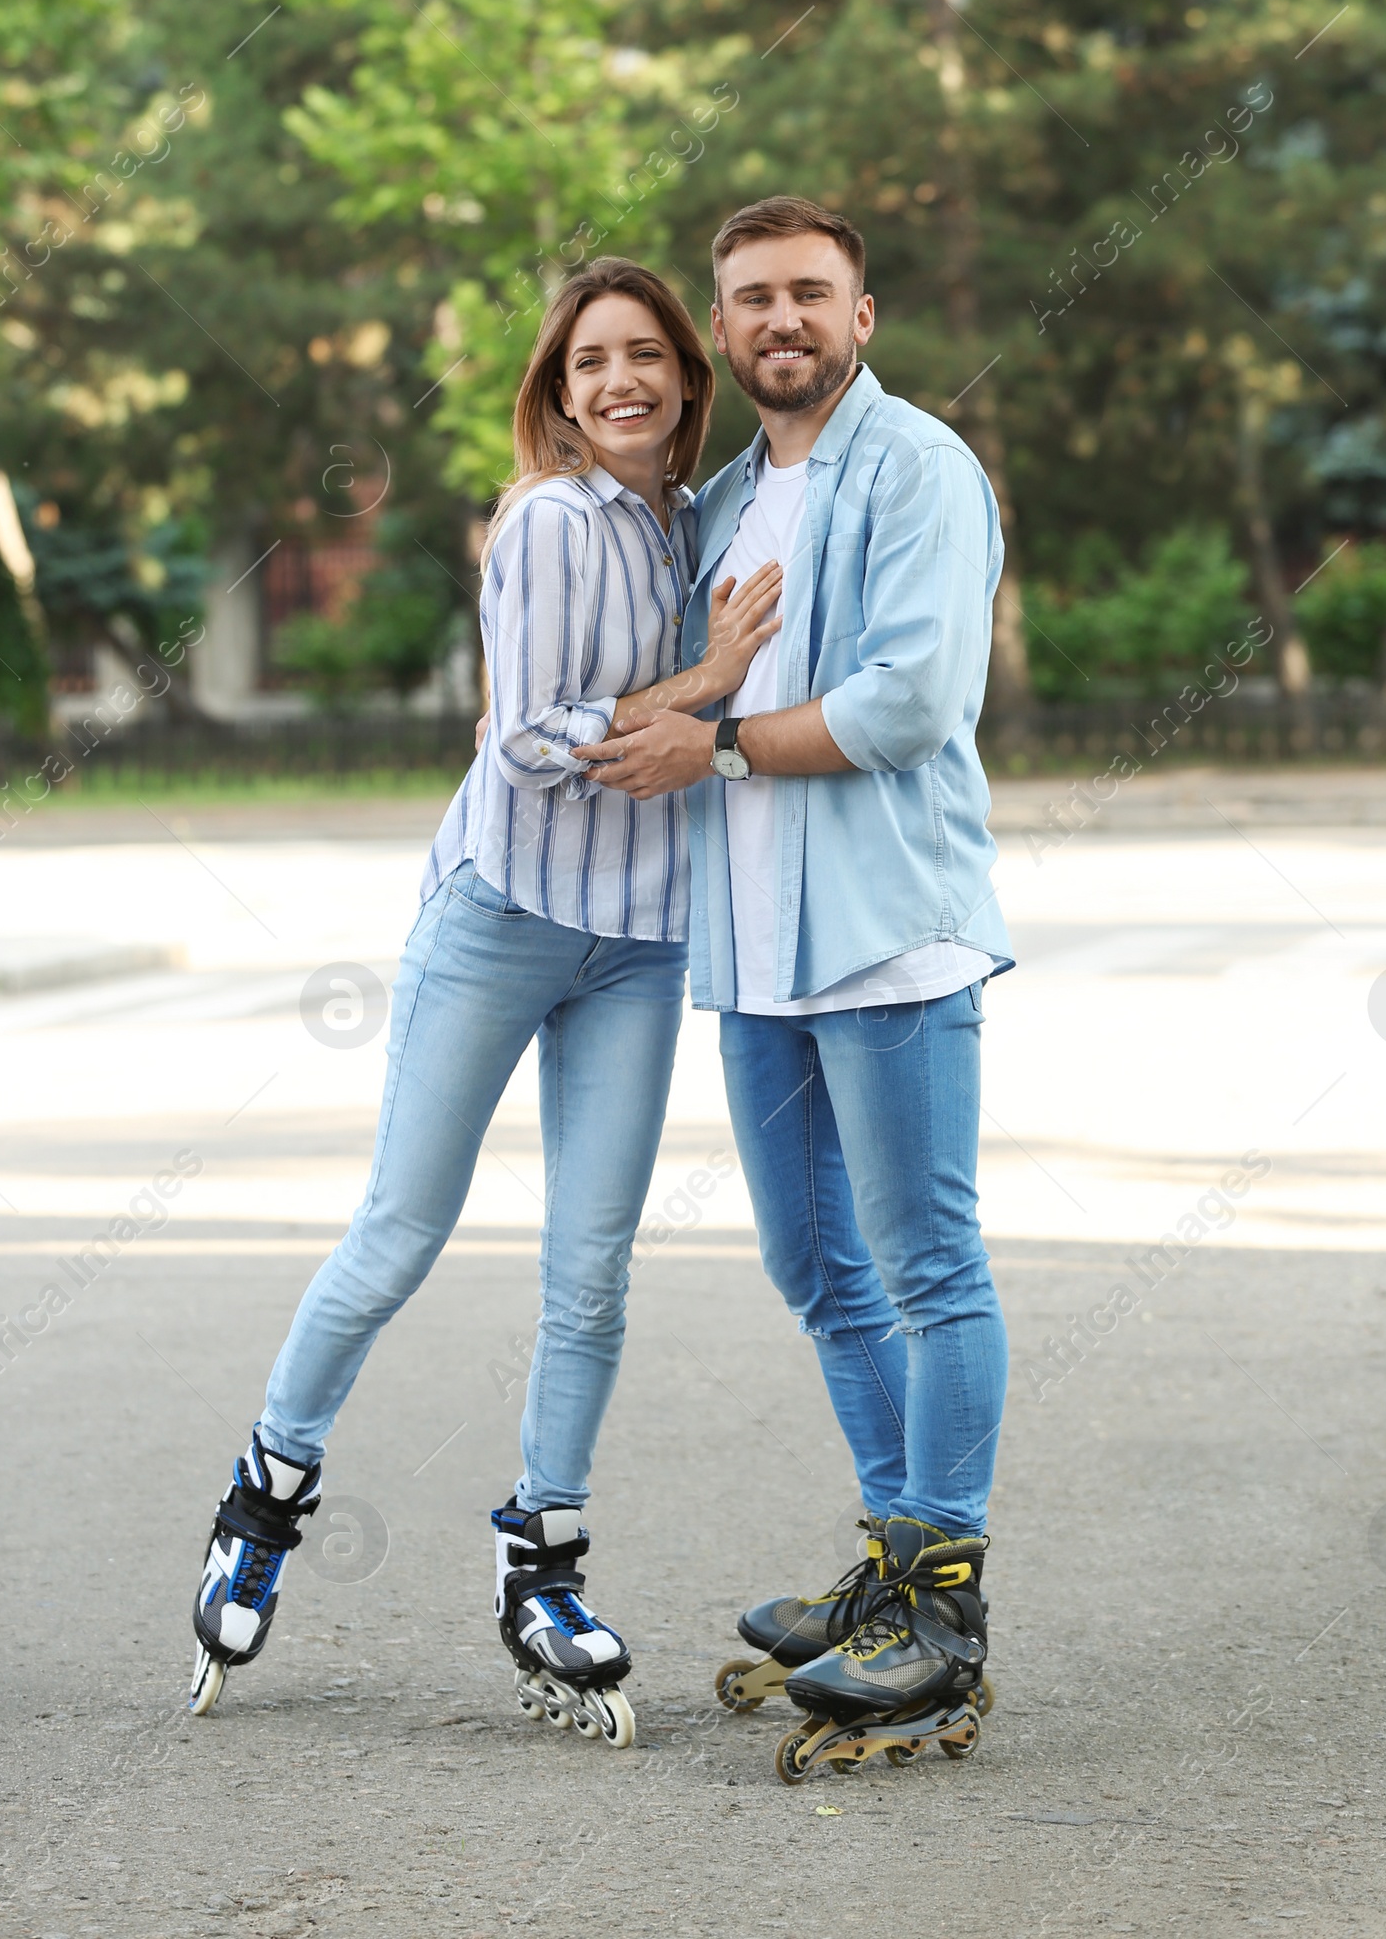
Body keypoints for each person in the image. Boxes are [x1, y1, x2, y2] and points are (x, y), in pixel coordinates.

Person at [188, 256, 783, 1748]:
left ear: (684, 379)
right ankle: (265, 1498)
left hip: (638, 943)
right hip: (503, 919)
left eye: (646, 355)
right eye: (592, 364)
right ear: (558, 390)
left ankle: (541, 1561)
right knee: (400, 1229)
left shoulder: (680, 522)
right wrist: (708, 681)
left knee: (593, 1270)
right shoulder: (547, 518)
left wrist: (693, 691)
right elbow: (521, 742)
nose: (621, 382)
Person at [573, 196, 1013, 1769]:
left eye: (807, 295)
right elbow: (670, 695)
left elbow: (908, 700)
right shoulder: (721, 502)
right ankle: (893, 1568)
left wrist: (721, 739)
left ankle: (943, 1606)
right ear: (725, 330)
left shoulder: (921, 472)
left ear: (862, 315)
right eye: (751, 299)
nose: (780, 322)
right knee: (820, 1271)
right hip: (754, 949)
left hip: (888, 933)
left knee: (926, 1265)